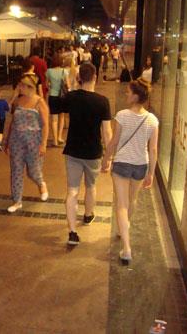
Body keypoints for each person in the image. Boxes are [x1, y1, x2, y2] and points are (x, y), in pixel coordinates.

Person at [102, 79, 158, 263]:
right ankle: (123, 228)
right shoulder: (152, 120)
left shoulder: (122, 116)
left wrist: (106, 158)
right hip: (140, 165)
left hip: (122, 163)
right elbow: (153, 149)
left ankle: (126, 248)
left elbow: (114, 141)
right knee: (131, 200)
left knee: (121, 204)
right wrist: (151, 173)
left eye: (128, 92)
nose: (126, 94)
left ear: (135, 96)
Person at [61, 62, 112, 246]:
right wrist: (109, 156)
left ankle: (72, 232)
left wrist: (74, 85)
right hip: (93, 152)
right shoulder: (102, 101)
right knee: (91, 186)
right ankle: (88, 215)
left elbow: (58, 105)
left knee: (72, 191)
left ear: (79, 78)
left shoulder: (71, 97)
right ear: (95, 77)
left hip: (73, 150)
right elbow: (107, 132)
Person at [4, 74, 49, 212]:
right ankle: (17, 201)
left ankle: (41, 183)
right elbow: (12, 120)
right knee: (16, 170)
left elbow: (45, 124)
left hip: (33, 141)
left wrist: (43, 143)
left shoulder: (39, 102)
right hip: (16, 140)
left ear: (30, 87)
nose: (19, 87)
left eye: (22, 85)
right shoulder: (18, 101)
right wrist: (7, 140)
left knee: (33, 171)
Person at [46, 54, 68, 146]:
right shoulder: (64, 71)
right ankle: (59, 137)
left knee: (54, 119)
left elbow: (47, 84)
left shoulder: (49, 71)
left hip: (53, 96)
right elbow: (67, 84)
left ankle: (54, 140)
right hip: (62, 97)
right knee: (62, 117)